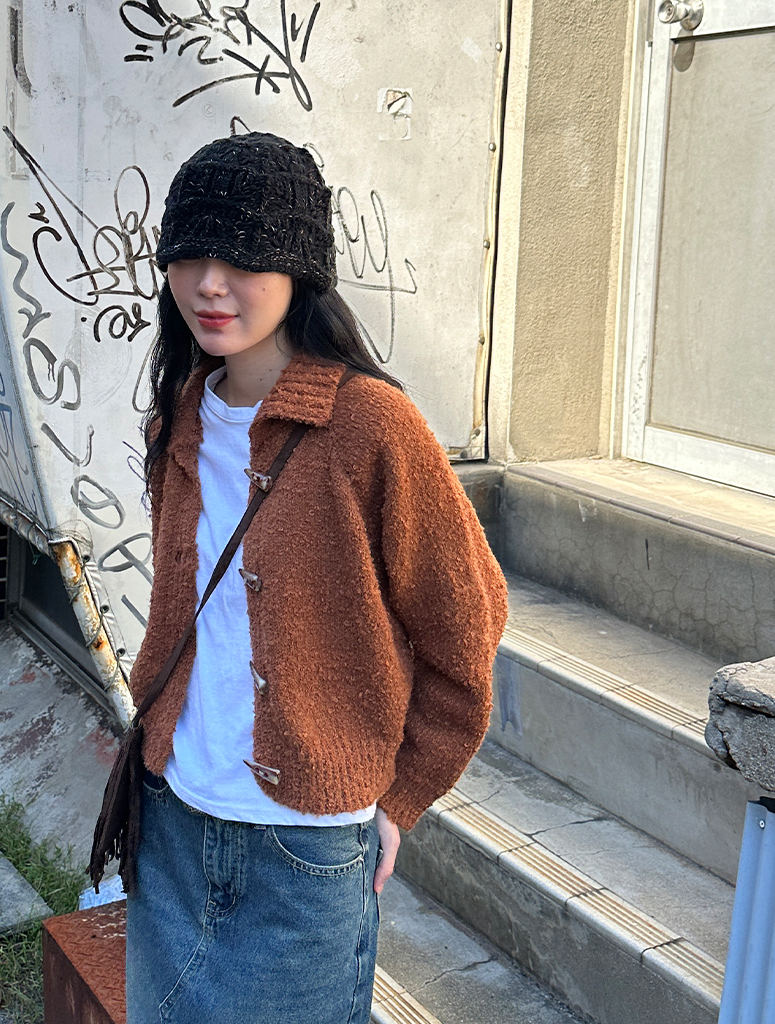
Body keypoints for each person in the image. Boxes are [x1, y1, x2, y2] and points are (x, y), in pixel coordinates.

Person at [124, 131, 507, 1024]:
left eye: (243, 259)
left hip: (303, 851)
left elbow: (467, 622)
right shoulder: (180, 418)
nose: (209, 284)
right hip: (170, 818)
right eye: (191, 255)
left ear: (299, 270)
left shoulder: (372, 427)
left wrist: (404, 792)